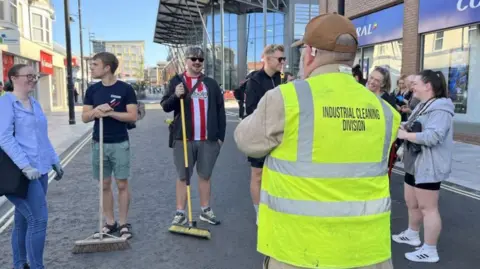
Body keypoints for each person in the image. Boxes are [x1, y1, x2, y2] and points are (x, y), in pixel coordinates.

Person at [234, 13, 400, 269]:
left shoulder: (288, 98)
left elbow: (246, 140)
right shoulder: (386, 112)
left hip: (299, 250)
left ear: (310, 53)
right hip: (367, 252)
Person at [0, 64, 64, 269]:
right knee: (38, 219)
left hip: (41, 169)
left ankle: (20, 265)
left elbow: (41, 137)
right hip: (20, 173)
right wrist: (25, 166)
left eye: (34, 75)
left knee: (22, 221)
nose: (33, 79)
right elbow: (4, 137)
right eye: (28, 75)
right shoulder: (6, 102)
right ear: (13, 78)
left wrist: (54, 159)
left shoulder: (34, 103)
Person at [392, 70, 454, 263]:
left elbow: (434, 136)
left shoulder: (441, 109)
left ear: (428, 86)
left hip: (428, 165)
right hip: (415, 162)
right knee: (412, 202)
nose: (412, 86)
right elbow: (413, 125)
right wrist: (402, 127)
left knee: (428, 208)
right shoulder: (424, 105)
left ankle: (429, 250)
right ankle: (412, 234)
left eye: (416, 83)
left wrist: (406, 135)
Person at [161, 46, 226, 226]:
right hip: (183, 138)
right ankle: (180, 212)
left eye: (200, 60)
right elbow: (166, 106)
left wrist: (221, 137)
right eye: (193, 59)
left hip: (208, 139)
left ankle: (205, 210)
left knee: (205, 176)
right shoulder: (177, 81)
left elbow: (221, 110)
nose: (197, 62)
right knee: (183, 176)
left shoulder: (211, 84)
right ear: (187, 61)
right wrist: (176, 95)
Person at [82, 52, 138, 240]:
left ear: (107, 68)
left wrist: (110, 112)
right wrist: (96, 112)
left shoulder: (126, 89)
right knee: (104, 185)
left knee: (122, 184)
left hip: (120, 142)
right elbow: (84, 117)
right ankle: (110, 222)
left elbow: (132, 116)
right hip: (99, 143)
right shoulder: (92, 90)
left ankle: (123, 223)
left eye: (94, 64)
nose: (91, 67)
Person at [244, 44, 284, 225]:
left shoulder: (280, 79)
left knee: (274, 173)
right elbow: (251, 110)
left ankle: (272, 208)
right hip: (259, 134)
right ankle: (259, 213)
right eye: (279, 59)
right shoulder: (255, 80)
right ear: (267, 59)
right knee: (258, 174)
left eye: (283, 59)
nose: (282, 62)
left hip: (277, 134)